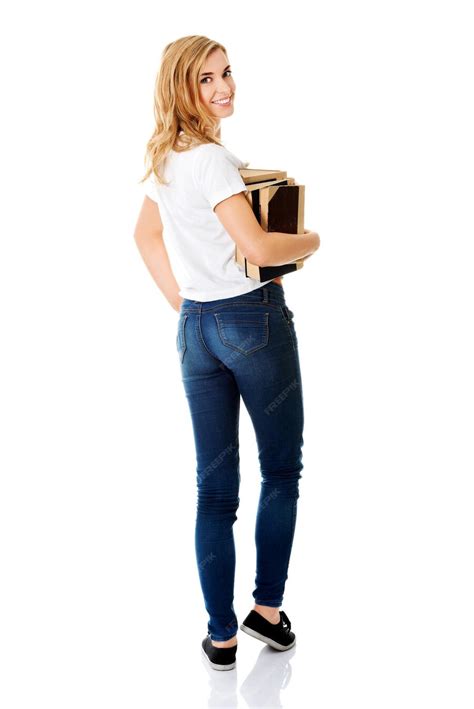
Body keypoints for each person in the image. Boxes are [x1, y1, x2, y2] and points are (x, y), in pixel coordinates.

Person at [134, 35, 320, 671]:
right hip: (252, 322)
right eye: (207, 79)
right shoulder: (211, 158)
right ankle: (266, 612)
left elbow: (145, 234)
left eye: (227, 73)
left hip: (196, 331)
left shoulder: (165, 157)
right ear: (180, 89)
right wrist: (313, 238)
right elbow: (264, 250)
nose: (224, 87)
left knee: (213, 493)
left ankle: (221, 637)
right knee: (281, 472)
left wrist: (184, 302)